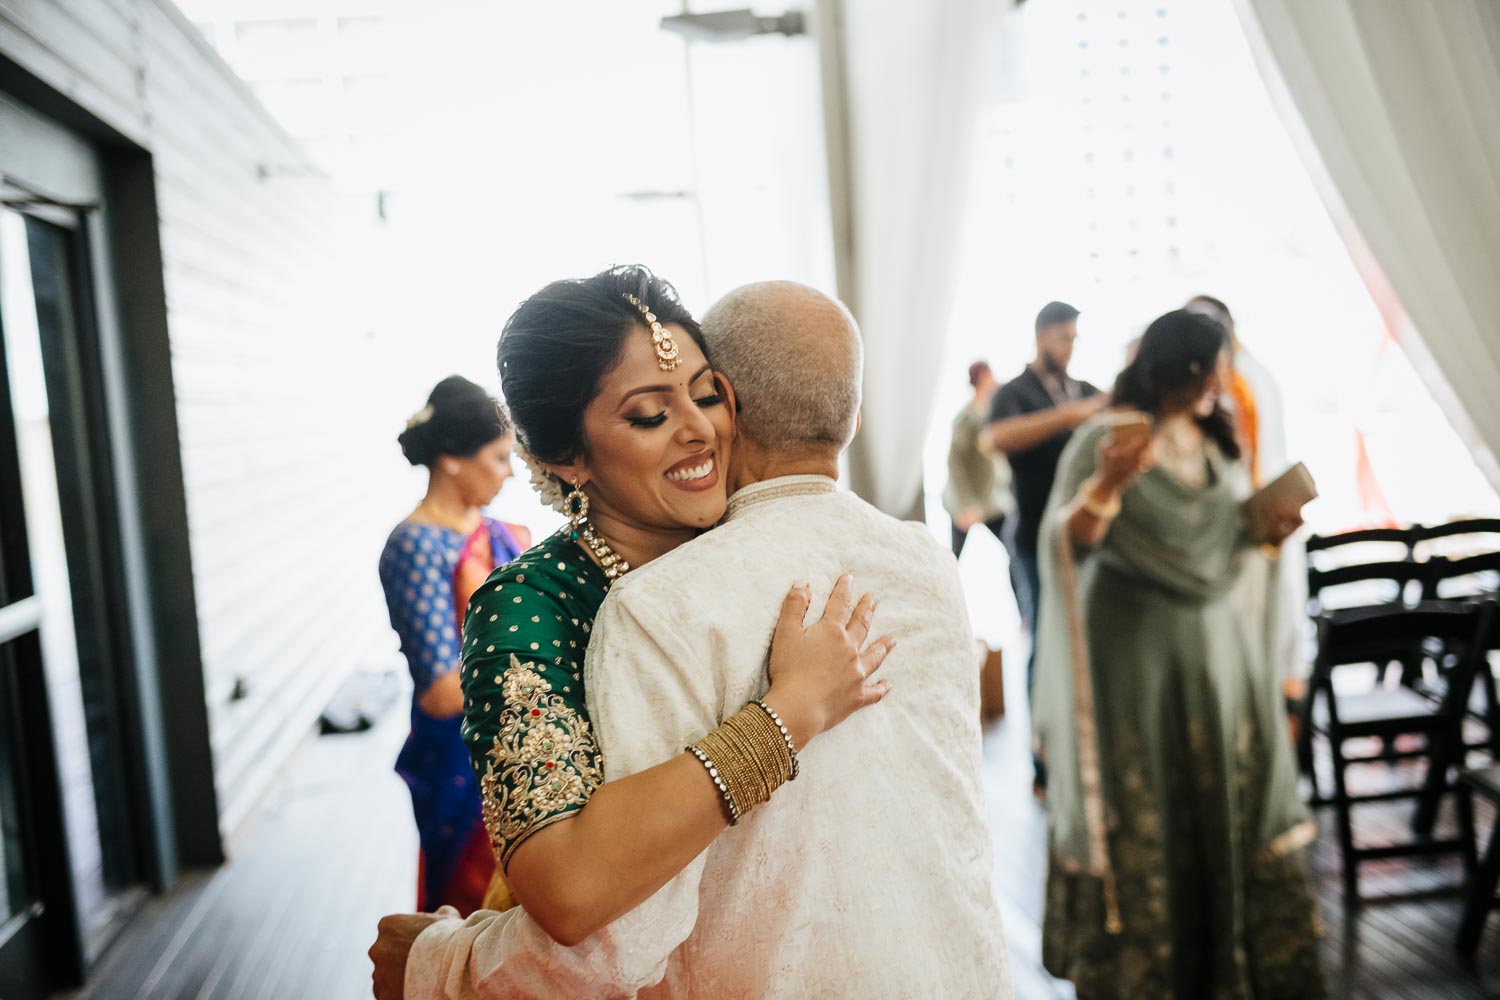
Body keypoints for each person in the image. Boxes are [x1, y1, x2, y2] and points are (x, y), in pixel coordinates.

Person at [377, 280, 1013, 998]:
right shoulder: (534, 607)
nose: (702, 430)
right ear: (565, 456)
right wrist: (784, 719)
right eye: (651, 413)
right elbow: (572, 894)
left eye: (707, 395)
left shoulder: (767, 551)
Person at [1032, 309, 1324, 998]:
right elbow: (1066, 543)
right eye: (1209, 369)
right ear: (1174, 368)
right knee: (1150, 803)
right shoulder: (1105, 438)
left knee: (1219, 795)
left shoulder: (1217, 436)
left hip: (1218, 653)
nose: (1220, 382)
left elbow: (1224, 538)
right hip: (1134, 658)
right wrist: (1107, 484)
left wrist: (1267, 523)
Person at [378, 375, 532, 915]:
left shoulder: (496, 531)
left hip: (523, 738)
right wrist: (540, 677)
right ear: (452, 459)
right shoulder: (416, 545)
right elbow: (443, 690)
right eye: (498, 457)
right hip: (464, 755)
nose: (510, 471)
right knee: (473, 908)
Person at [1185, 294, 1310, 693]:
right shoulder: (1258, 372)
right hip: (1268, 512)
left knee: (1254, 635)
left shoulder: (1231, 381)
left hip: (1251, 520)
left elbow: (1240, 463)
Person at [988, 301, 1106, 671]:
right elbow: (998, 437)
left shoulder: (1084, 390)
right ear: (1041, 336)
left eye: (1073, 339)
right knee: (1042, 632)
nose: (1068, 347)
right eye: (1061, 338)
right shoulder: (1014, 393)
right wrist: (1066, 417)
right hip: (1034, 531)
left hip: (1082, 532)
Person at [943, 360, 1014, 558]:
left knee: (1013, 550)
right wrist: (966, 504)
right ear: (983, 377)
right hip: (968, 501)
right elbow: (955, 462)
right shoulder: (966, 419)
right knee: (954, 555)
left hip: (993, 499)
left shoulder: (992, 412)